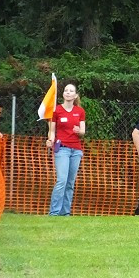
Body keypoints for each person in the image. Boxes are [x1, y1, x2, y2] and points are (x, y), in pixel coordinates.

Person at [46, 83, 86, 216]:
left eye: (71, 91)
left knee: (70, 182)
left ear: (75, 96)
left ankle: (65, 212)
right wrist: (50, 140)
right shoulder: (56, 111)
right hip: (62, 148)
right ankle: (54, 212)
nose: (68, 92)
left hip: (76, 150)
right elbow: (51, 131)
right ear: (63, 94)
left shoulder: (80, 111)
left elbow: (83, 131)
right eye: (66, 90)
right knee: (61, 180)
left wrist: (78, 131)